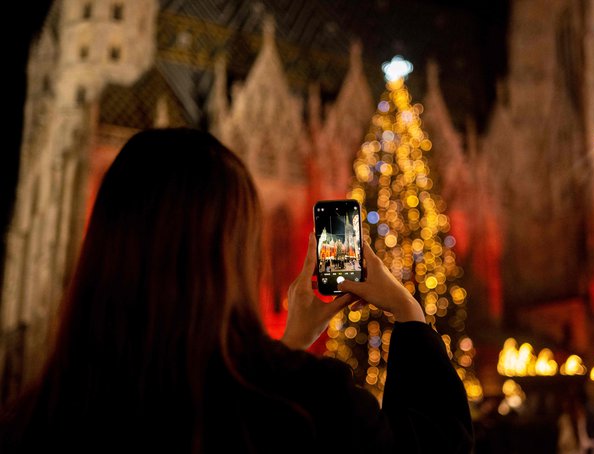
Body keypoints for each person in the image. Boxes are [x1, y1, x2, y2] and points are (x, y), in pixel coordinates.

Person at [0, 128, 473, 453]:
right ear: (234, 256)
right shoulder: (305, 408)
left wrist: (288, 345)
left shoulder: (35, 422)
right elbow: (438, 443)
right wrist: (407, 310)